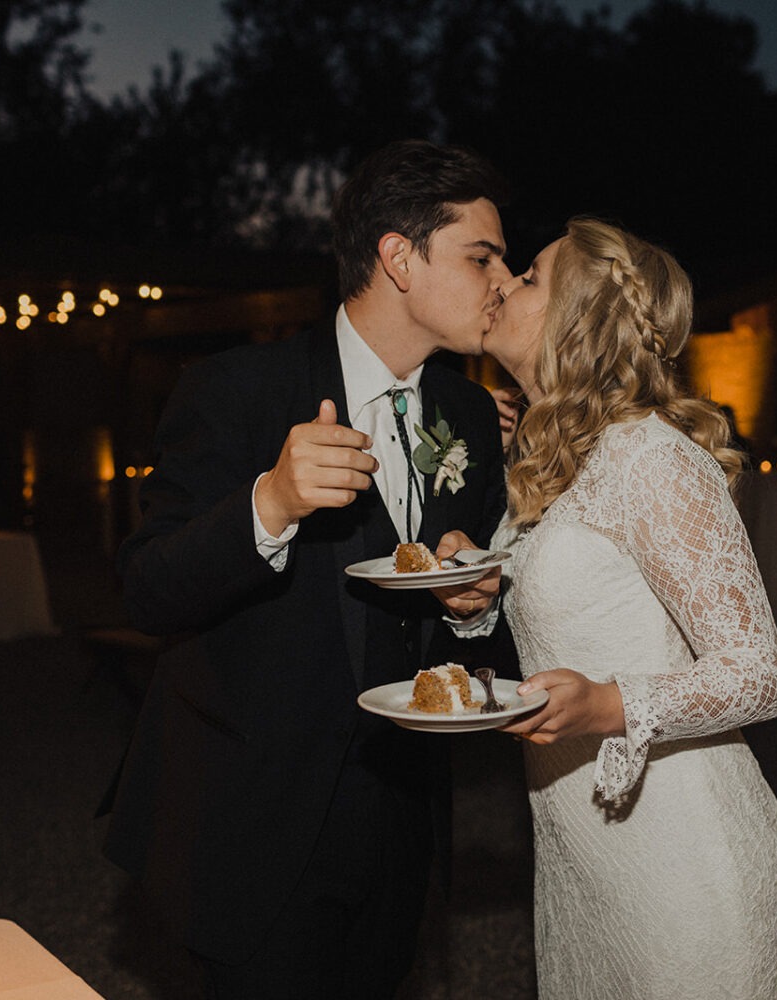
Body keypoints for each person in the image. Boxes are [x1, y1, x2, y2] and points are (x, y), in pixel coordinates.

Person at [100, 140, 511, 1000]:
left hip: (404, 813)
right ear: (399, 257)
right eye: (482, 256)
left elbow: (475, 624)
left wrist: (473, 607)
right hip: (253, 817)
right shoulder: (235, 389)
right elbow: (145, 589)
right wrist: (271, 505)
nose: (502, 279)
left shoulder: (469, 414)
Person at [482, 217, 777, 998]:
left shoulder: (649, 456)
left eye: (529, 276)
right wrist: (471, 578)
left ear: (575, 317)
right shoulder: (558, 462)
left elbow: (760, 674)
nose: (504, 284)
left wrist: (605, 705)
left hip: (685, 865)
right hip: (585, 856)